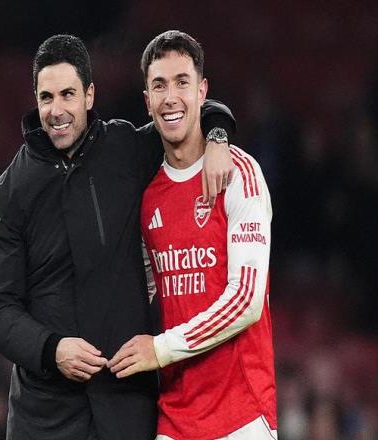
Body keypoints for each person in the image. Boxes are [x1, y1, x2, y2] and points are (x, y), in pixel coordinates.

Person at [0, 34, 236, 440]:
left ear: (89, 95)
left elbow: (180, 114)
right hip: (44, 418)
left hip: (125, 408)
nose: (57, 110)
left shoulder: (125, 148)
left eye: (68, 94)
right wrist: (52, 349)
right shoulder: (12, 190)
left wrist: (219, 136)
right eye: (46, 97)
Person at [108, 31, 277, 439]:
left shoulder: (238, 173)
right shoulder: (147, 197)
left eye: (182, 82)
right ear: (146, 100)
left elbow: (246, 301)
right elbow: (143, 291)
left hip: (242, 416)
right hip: (175, 417)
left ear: (202, 91)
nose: (171, 97)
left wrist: (159, 349)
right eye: (159, 85)